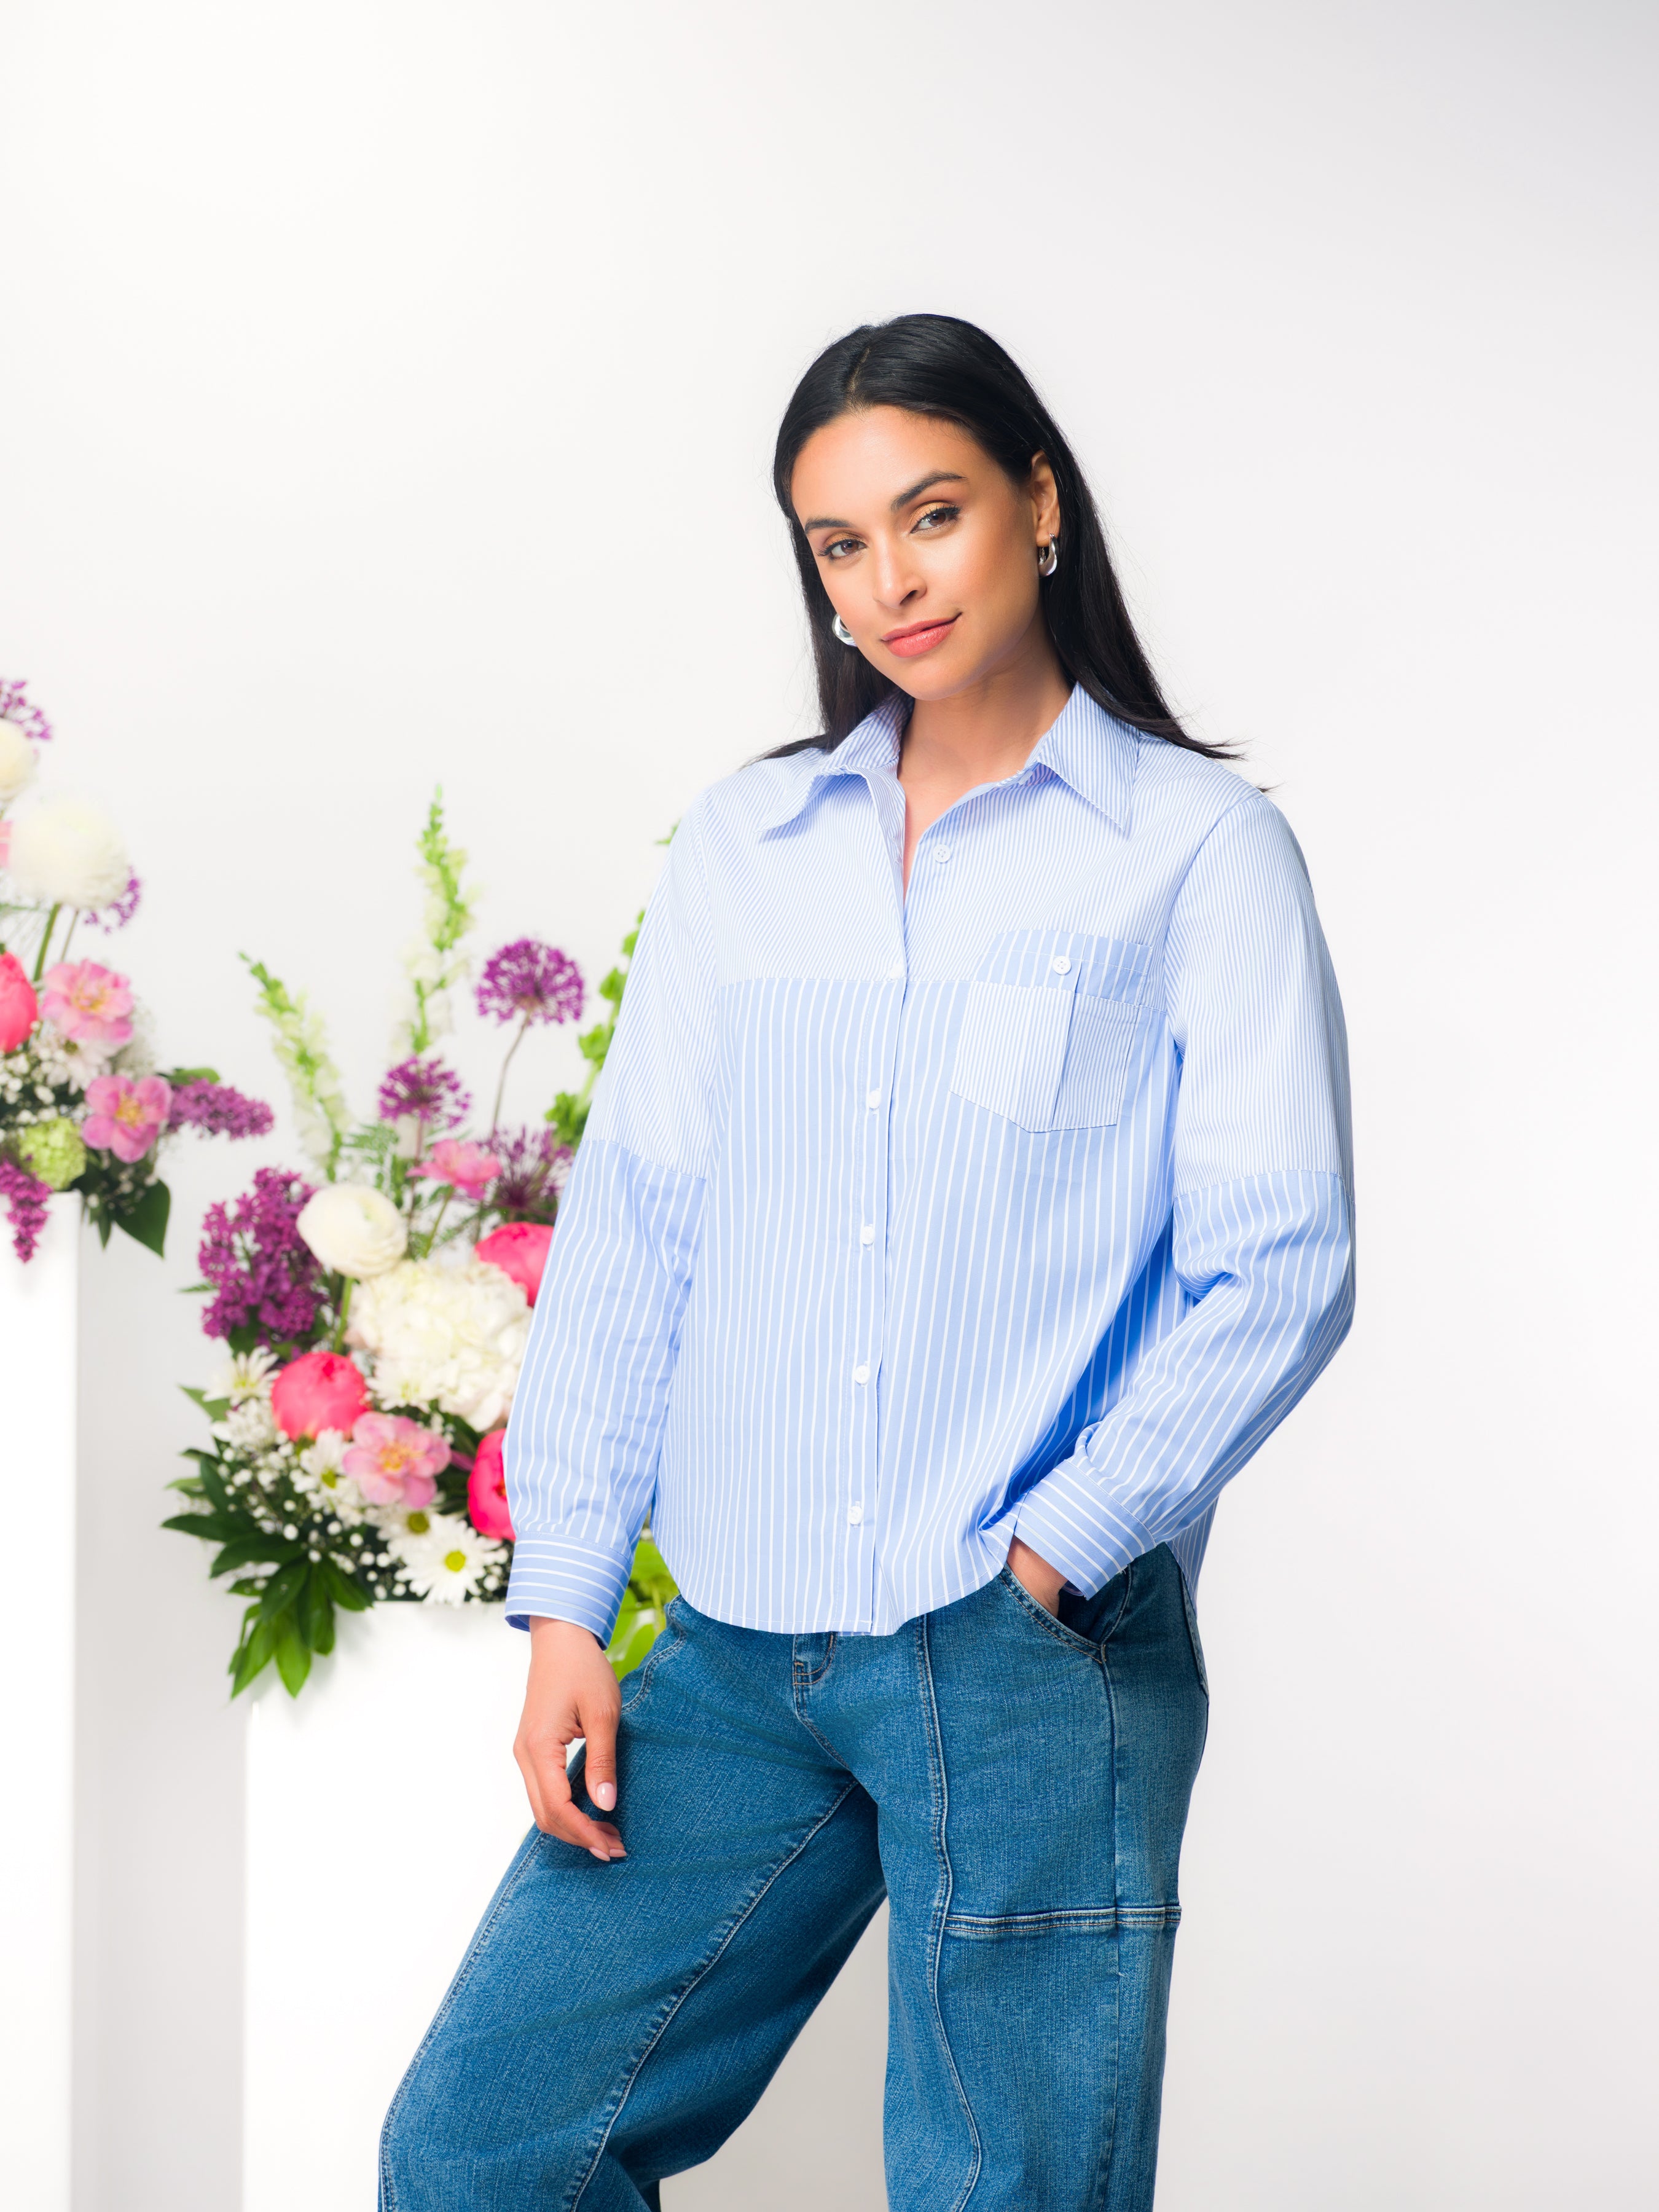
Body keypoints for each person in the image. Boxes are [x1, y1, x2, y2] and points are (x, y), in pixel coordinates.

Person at [379, 313, 1354, 2212]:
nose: (887, 582)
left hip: (1023, 1650)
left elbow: (1281, 1261)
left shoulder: (1193, 851)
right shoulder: (746, 844)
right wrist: (571, 1602)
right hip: (733, 1641)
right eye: (838, 544)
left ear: (1039, 506)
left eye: (931, 516)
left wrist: (1059, 1552)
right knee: (485, 2145)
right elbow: (641, 1226)